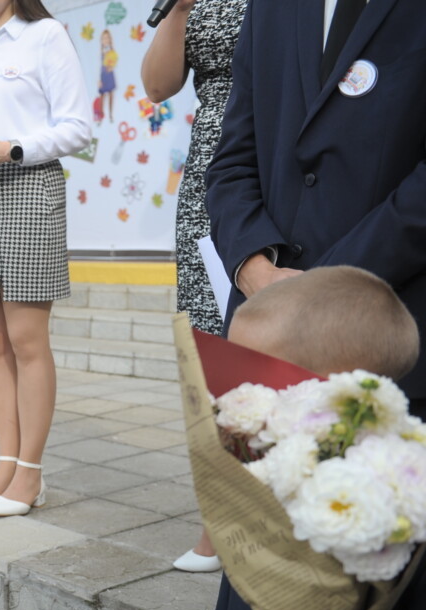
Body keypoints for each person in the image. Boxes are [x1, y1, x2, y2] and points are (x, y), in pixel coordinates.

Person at [181, 266, 426, 610]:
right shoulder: (263, 475)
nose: (234, 400)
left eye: (255, 379)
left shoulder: (410, 499)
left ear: (338, 390)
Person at [205, 0, 426, 419]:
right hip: (261, 350)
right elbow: (232, 161)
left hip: (393, 344)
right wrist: (254, 265)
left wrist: (322, 290)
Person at [0, 0, 91, 517]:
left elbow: (78, 127)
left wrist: (12, 148)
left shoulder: (44, 35)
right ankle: (6, 463)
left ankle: (31, 472)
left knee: (27, 339)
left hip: (28, 184)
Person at [141, 0, 248, 573]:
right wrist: (179, 9)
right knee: (212, 340)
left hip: (287, 152)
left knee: (272, 332)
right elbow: (158, 86)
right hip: (214, 162)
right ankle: (220, 517)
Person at [97, 29, 118, 124]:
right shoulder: (102, 52)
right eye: (104, 38)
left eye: (107, 38)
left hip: (109, 75)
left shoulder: (111, 52)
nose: (105, 40)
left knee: (110, 95)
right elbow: (101, 66)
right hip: (103, 75)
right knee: (102, 96)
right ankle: (101, 115)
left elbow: (112, 62)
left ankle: (110, 114)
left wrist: (110, 66)